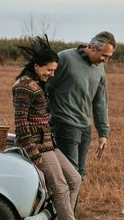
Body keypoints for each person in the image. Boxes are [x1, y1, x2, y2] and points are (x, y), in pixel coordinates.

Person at [12, 35, 99, 220]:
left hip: (49, 144)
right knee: (60, 187)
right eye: (49, 70)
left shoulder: (37, 83)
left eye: (54, 70)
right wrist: (34, 153)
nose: (52, 74)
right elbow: (21, 123)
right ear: (36, 66)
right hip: (37, 146)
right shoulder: (24, 86)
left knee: (75, 178)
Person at [46, 31, 116, 179]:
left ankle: (67, 196)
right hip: (64, 124)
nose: (106, 60)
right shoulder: (65, 58)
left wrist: (103, 133)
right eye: (104, 55)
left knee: (79, 174)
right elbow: (47, 87)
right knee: (71, 174)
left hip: (85, 128)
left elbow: (100, 101)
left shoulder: (99, 68)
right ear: (93, 47)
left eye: (108, 57)